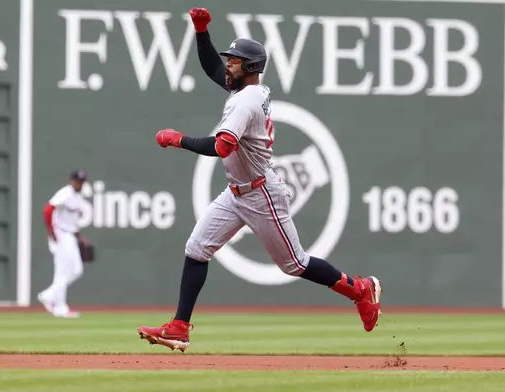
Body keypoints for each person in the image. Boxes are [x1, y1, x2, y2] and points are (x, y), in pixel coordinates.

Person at [136, 7, 382, 352]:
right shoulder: (248, 90)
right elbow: (212, 68)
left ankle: (359, 289)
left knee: (294, 263)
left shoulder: (246, 102)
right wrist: (202, 31)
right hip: (236, 192)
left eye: (235, 61)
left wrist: (178, 139)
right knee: (196, 249)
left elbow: (222, 146)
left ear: (250, 68)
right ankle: (179, 326)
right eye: (231, 60)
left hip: (261, 194)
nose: (228, 65)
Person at [37, 169, 89, 318]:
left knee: (76, 270)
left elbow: (71, 221)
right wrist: (52, 232)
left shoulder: (77, 196)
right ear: (72, 181)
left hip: (70, 236)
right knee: (62, 271)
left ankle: (49, 295)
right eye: (78, 181)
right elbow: (48, 210)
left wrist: (80, 237)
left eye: (82, 182)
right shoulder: (66, 193)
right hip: (61, 235)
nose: (80, 184)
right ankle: (60, 307)